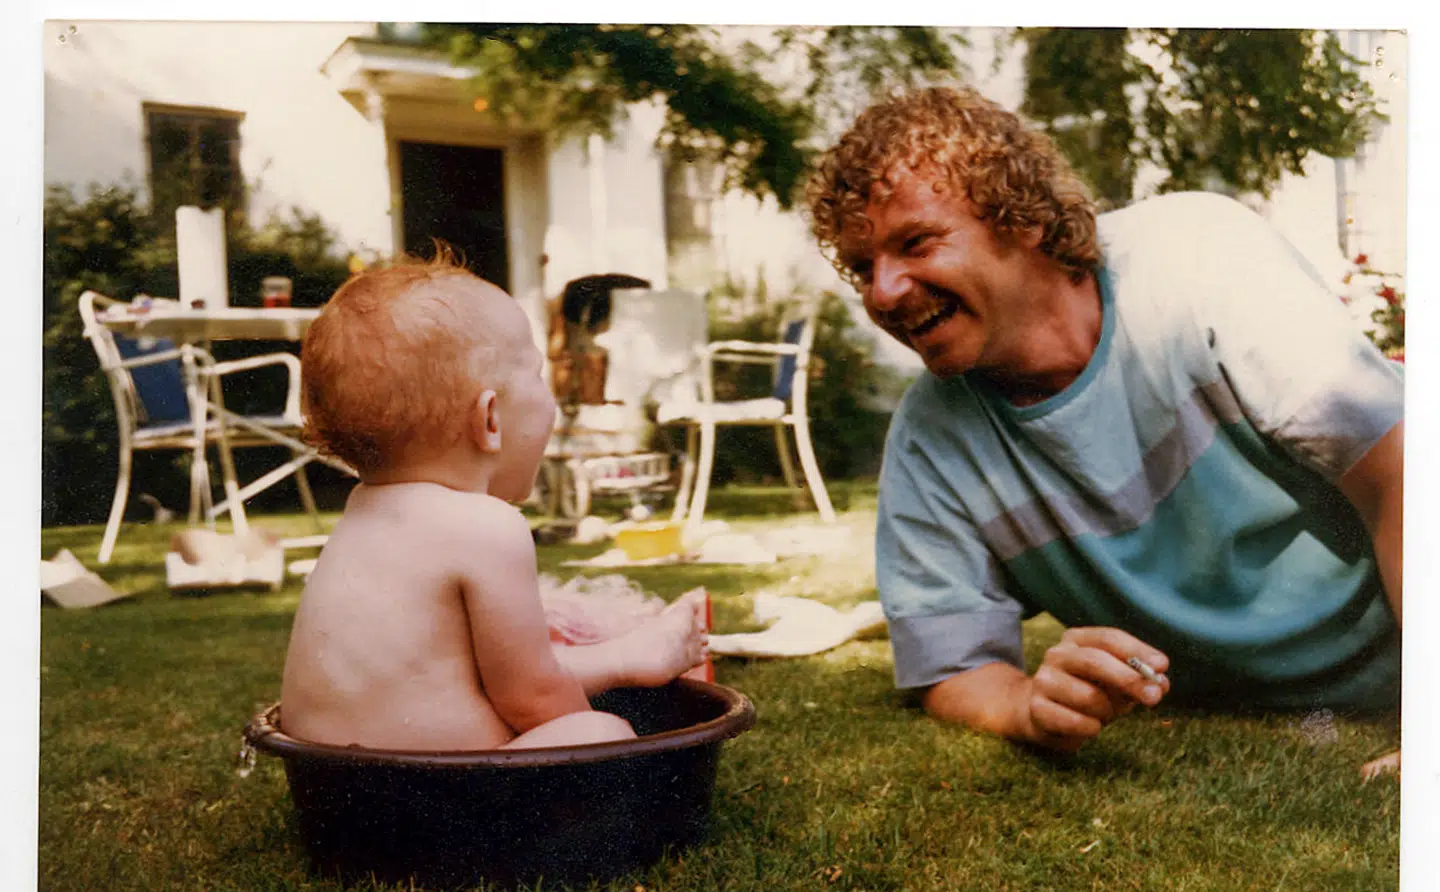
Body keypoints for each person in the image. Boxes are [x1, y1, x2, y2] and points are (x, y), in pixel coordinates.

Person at [805, 87, 1402, 771]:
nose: (881, 293)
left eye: (916, 242)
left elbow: (1402, 474)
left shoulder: (1197, 259)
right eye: (862, 267)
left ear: (1020, 217)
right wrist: (1025, 704)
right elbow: (950, 665)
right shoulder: (932, 436)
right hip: (1281, 712)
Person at [280, 256, 709, 752]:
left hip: (333, 786)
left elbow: (471, 673)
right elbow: (533, 696)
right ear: (490, 420)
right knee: (602, 731)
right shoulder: (487, 526)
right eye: (537, 376)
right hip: (445, 792)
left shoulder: (364, 511)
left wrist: (624, 658)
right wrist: (611, 747)